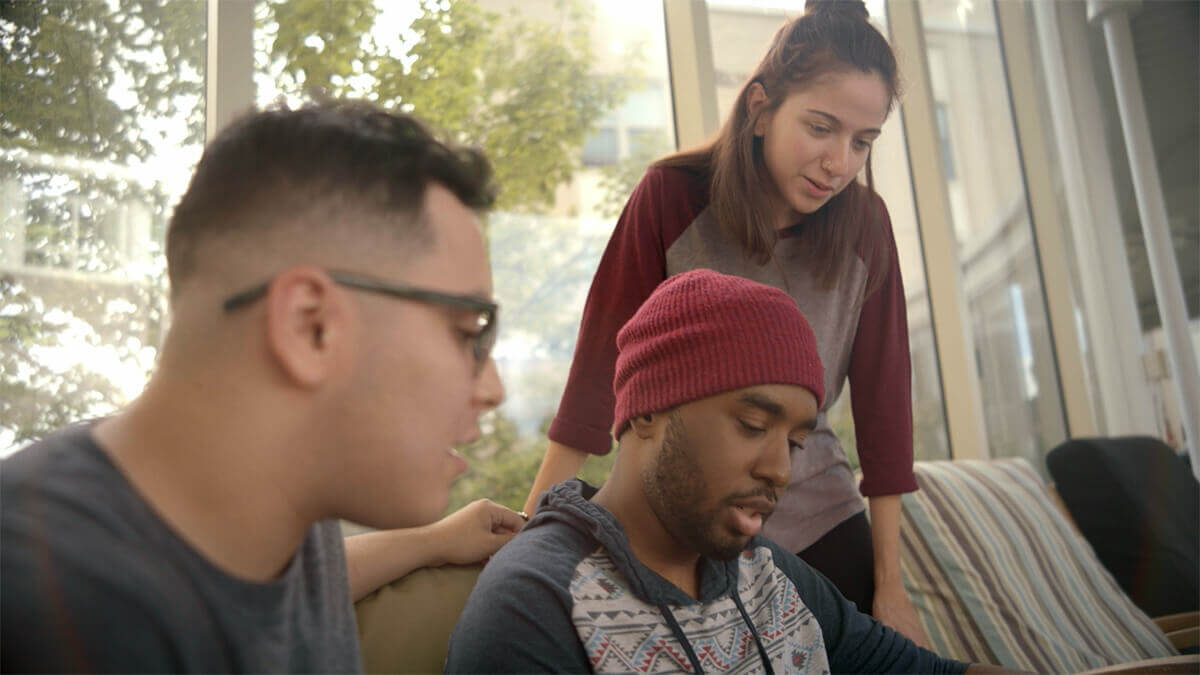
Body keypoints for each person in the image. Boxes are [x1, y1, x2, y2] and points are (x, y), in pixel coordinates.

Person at [1, 101, 525, 672]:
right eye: (467, 331)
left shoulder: (285, 514)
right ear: (310, 327)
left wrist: (433, 542)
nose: (491, 387)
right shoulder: (51, 608)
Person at [522, 0, 927, 644]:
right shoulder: (671, 196)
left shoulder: (867, 226)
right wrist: (531, 534)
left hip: (818, 515)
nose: (839, 163)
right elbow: (598, 374)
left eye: (862, 141)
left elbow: (885, 406)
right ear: (761, 107)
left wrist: (892, 587)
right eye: (821, 128)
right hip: (680, 524)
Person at [449, 270, 1005, 674]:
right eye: (751, 425)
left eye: (794, 441)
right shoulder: (538, 604)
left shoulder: (764, 571)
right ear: (647, 411)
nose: (779, 470)